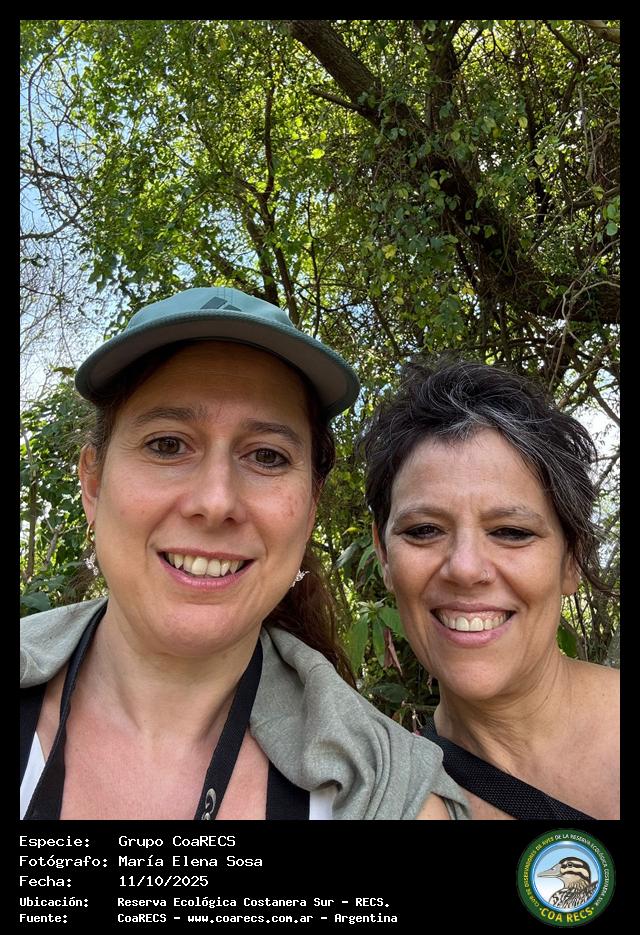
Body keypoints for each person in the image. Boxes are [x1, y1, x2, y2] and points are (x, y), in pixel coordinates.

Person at [20, 286, 468, 821]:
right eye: (167, 444)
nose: (215, 502)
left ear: (310, 508)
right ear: (93, 484)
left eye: (267, 456)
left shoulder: (388, 793)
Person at [362, 358, 619, 820]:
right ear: (384, 555)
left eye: (511, 532)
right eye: (423, 530)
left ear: (571, 560)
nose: (465, 569)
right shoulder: (388, 799)